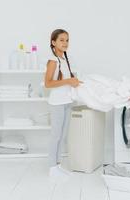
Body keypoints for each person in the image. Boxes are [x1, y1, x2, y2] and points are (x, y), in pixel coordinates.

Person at [45, 29, 82, 179]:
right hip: (57, 103)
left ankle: (58, 165)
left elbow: (70, 80)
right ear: (53, 43)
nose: (65, 43)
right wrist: (68, 81)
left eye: (67, 40)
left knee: (63, 135)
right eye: (61, 40)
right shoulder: (53, 60)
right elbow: (48, 83)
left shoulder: (67, 58)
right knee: (56, 135)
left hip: (68, 101)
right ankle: (52, 168)